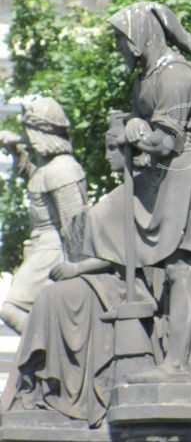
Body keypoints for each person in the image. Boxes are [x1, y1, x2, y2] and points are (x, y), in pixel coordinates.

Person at [105, 2, 191, 381]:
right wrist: (133, 124)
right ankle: (167, 354)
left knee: (180, 266)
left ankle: (178, 363)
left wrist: (135, 132)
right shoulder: (146, 79)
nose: (118, 48)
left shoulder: (175, 77)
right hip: (168, 176)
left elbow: (165, 142)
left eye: (120, 40)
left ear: (139, 37)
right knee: (164, 267)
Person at [2, 112, 158, 428]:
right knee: (50, 298)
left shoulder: (140, 193)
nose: (106, 156)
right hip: (99, 275)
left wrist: (77, 268)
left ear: (132, 150)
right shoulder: (121, 192)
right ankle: (46, 382)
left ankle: (55, 384)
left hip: (123, 282)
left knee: (51, 298)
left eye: (113, 148)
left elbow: (129, 254)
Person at [0, 97, 88, 334]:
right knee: (35, 309)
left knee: (11, 308)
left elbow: (75, 223)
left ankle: (47, 347)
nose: (25, 137)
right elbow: (33, 179)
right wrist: (15, 150)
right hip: (40, 246)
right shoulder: (48, 168)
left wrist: (77, 267)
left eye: (28, 132)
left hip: (53, 248)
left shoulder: (62, 170)